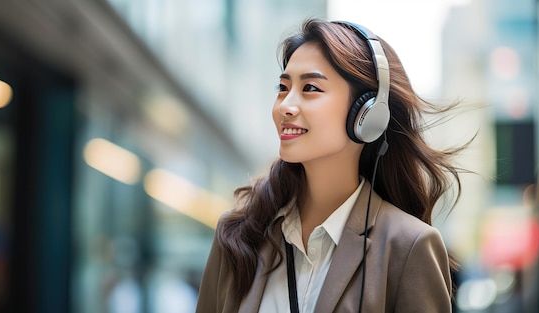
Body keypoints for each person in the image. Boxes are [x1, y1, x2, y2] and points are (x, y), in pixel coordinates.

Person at [195, 17, 465, 313]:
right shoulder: (238, 234)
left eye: (310, 88)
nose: (285, 105)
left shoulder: (408, 246)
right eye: (283, 88)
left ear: (367, 114)